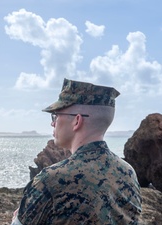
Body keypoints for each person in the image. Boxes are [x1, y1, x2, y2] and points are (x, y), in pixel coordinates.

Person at [11, 78, 142, 225]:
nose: (52, 123)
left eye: (56, 115)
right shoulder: (128, 172)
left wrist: (16, 219)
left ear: (77, 121)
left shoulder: (51, 180)